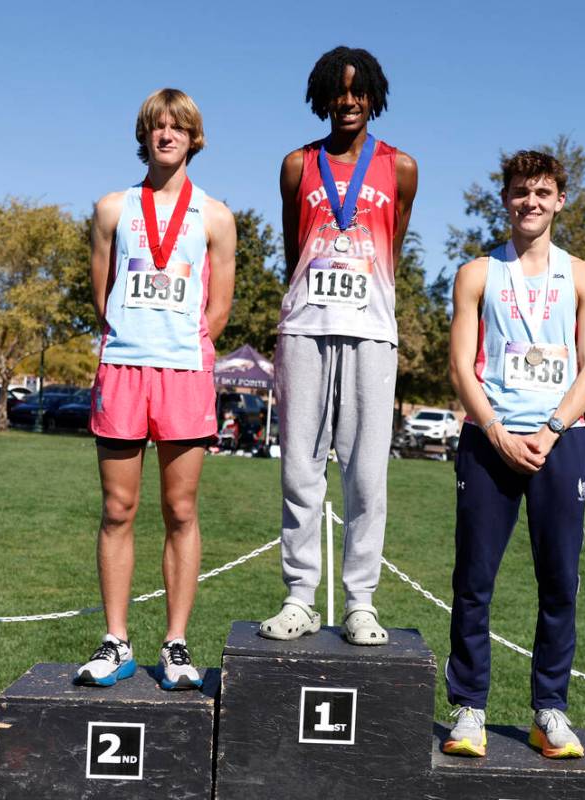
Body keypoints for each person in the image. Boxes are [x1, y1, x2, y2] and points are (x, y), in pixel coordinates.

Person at [443, 151, 585, 759]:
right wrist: (496, 431)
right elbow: (461, 366)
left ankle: (549, 711)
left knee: (560, 582)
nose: (530, 202)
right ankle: (469, 709)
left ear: (560, 199)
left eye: (542, 192)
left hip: (561, 442)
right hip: (490, 441)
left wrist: (553, 427)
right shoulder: (477, 273)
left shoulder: (583, 276)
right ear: (505, 199)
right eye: (519, 192)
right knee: (474, 582)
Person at [76, 88, 237, 690]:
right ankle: (115, 641)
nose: (166, 135)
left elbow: (217, 308)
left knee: (181, 510)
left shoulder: (216, 216)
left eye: (178, 127)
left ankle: (174, 644)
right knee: (117, 509)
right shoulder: (111, 208)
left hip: (185, 374)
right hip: (122, 369)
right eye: (156, 127)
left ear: (195, 137)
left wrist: (179, 348)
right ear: (143, 136)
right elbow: (103, 292)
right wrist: (133, 336)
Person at [259, 46, 418, 646]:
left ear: (374, 95)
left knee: (367, 475)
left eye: (358, 91)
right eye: (337, 91)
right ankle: (300, 597)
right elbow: (290, 245)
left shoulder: (400, 167)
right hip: (305, 325)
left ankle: (360, 602)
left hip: (372, 329)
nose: (348, 101)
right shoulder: (298, 165)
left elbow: (392, 248)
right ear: (321, 97)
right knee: (300, 468)